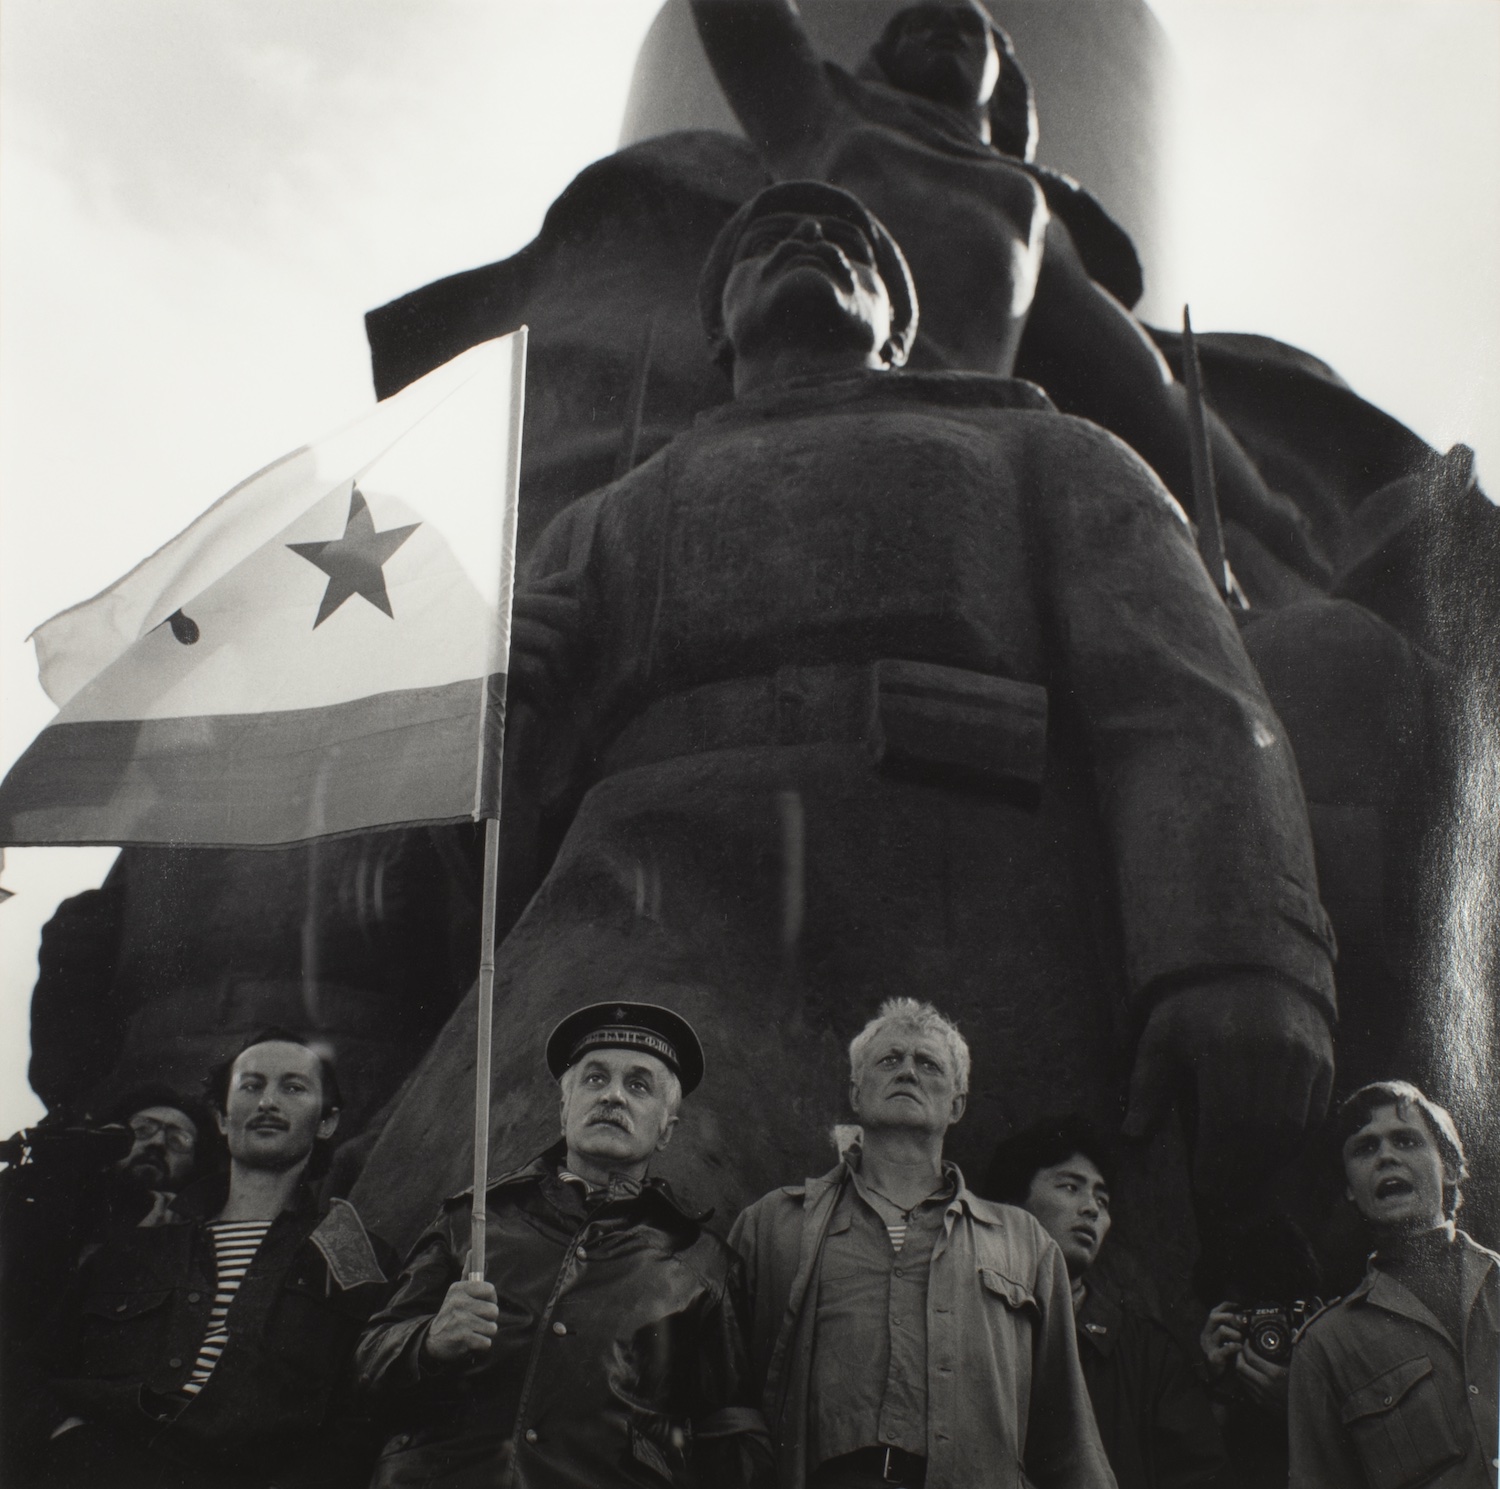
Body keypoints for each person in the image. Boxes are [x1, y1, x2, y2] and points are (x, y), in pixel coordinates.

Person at [349, 180, 1335, 1286]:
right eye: (769, 238)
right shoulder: (606, 519)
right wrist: (498, 720)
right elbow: (487, 876)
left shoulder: (1045, 450)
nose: (816, 240)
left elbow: (1182, 699)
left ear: (900, 326)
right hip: (640, 923)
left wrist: (1244, 953)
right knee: (529, 1250)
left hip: (962, 919)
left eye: (854, 240)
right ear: (718, 327)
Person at [688, 0, 1326, 579]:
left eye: (970, 26)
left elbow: (1143, 383)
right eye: (913, 22)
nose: (942, 28)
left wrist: (1272, 520)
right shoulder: (821, 115)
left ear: (1002, 77)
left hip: (959, 459)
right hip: (799, 422)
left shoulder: (1022, 201)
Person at [354, 1001, 772, 1488]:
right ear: (562, 1107)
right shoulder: (470, 1220)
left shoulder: (704, 1264)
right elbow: (366, 1361)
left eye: (638, 1085)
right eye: (595, 1079)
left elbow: (731, 1439)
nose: (613, 1096)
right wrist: (426, 1341)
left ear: (666, 1129)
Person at [730, 998, 1113, 1487]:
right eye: (889, 1060)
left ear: (957, 1105)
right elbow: (723, 1407)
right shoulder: (773, 1224)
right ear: (855, 1092)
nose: (907, 1071)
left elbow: (1066, 1440)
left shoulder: (1024, 1242)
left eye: (928, 1063)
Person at [15, 1030, 395, 1489]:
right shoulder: (134, 1251)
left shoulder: (353, 1256)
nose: (268, 1102)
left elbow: (362, 1412)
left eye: (293, 1087)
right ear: (221, 1115)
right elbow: (31, 1365)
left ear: (327, 1122)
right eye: (251, 1086)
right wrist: (58, 1435)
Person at [984, 1116, 1226, 1489]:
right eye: (1069, 1187)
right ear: (1012, 1205)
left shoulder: (1146, 1351)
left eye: (1102, 1199)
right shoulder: (970, 1318)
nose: (1092, 1209)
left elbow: (1199, 1473)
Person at [1287, 1081, 1498, 1489]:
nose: (1386, 1157)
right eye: (1364, 1149)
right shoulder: (1325, 1347)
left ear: (1450, 1167)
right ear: (1349, 1187)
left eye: (1406, 1141)